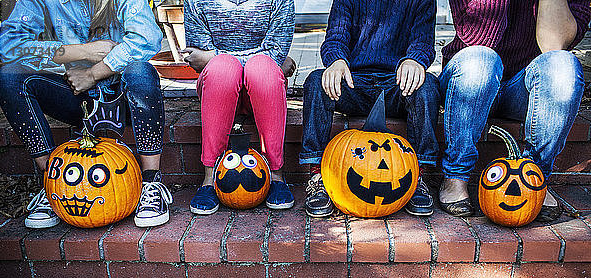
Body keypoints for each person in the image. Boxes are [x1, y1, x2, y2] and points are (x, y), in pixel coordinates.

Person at [0, 0, 172, 228]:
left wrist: (93, 72)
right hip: (73, 92)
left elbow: (147, 38)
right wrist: (83, 52)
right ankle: (53, 184)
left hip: (125, 94)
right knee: (9, 77)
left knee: (141, 70)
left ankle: (151, 182)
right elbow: (9, 45)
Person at [438, 0, 591, 220]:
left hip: (522, 88)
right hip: (471, 82)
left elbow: (554, 46)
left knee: (563, 64)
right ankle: (456, 175)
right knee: (482, 59)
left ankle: (534, 177)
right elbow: (478, 38)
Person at [300, 0, 440, 218]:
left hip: (397, 84)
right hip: (354, 82)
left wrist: (415, 60)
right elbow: (335, 39)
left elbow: (423, 43)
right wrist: (336, 61)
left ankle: (418, 175)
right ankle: (316, 175)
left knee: (428, 85)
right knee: (316, 81)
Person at [183, 0, 296, 214]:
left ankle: (276, 174)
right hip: (220, 86)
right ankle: (209, 176)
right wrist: (221, 58)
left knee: (262, 68)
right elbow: (198, 57)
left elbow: (277, 50)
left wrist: (215, 55)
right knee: (223, 68)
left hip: (263, 85)